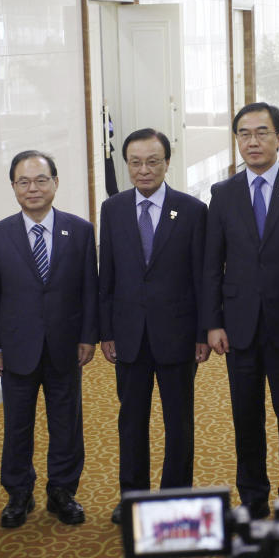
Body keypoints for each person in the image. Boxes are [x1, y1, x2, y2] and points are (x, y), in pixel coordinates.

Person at [202, 102, 279, 518]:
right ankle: (252, 498)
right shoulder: (223, 192)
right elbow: (211, 264)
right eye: (244, 134)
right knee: (245, 420)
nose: (252, 142)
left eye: (262, 132)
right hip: (239, 328)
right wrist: (213, 322)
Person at [0, 150, 98, 527]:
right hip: (16, 347)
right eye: (24, 182)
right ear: (13, 187)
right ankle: (19, 493)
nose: (33, 188)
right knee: (17, 424)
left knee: (66, 422)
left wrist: (88, 336)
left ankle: (62, 491)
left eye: (41, 180)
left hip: (65, 344)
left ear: (56, 183)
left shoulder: (79, 230)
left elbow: (89, 290)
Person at [98, 129, 209, 524]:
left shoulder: (193, 210)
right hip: (128, 333)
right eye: (135, 162)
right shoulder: (112, 209)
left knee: (179, 420)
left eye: (153, 161)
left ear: (167, 162)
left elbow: (202, 276)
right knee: (131, 420)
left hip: (178, 334)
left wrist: (202, 332)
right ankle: (133, 497)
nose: (144, 170)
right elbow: (106, 274)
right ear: (127, 165)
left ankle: (175, 498)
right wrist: (106, 330)